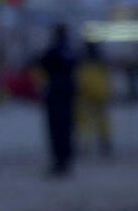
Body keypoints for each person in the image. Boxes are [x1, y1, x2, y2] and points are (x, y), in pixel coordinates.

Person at [39, 23, 77, 175]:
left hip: (55, 93)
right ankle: (65, 161)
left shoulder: (53, 51)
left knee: (57, 130)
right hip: (67, 94)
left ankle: (60, 162)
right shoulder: (70, 50)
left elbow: (42, 62)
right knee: (67, 130)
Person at [76, 41, 113, 156]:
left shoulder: (82, 61)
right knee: (101, 122)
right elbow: (106, 79)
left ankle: (86, 145)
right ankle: (104, 144)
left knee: (85, 123)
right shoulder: (100, 61)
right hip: (99, 94)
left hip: (87, 95)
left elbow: (81, 79)